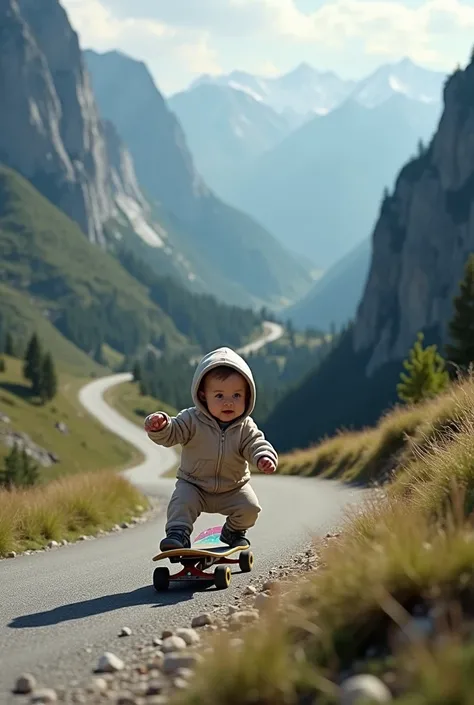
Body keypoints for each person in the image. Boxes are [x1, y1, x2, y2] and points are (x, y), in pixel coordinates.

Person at [144, 346, 278, 551]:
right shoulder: (190, 420)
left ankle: (233, 531)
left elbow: (256, 444)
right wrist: (161, 426)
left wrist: (263, 457)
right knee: (181, 502)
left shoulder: (245, 427)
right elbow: (172, 434)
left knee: (250, 508)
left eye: (236, 395)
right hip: (194, 485)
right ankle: (178, 534)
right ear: (203, 395)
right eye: (219, 396)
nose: (228, 403)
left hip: (233, 487)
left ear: (247, 397)